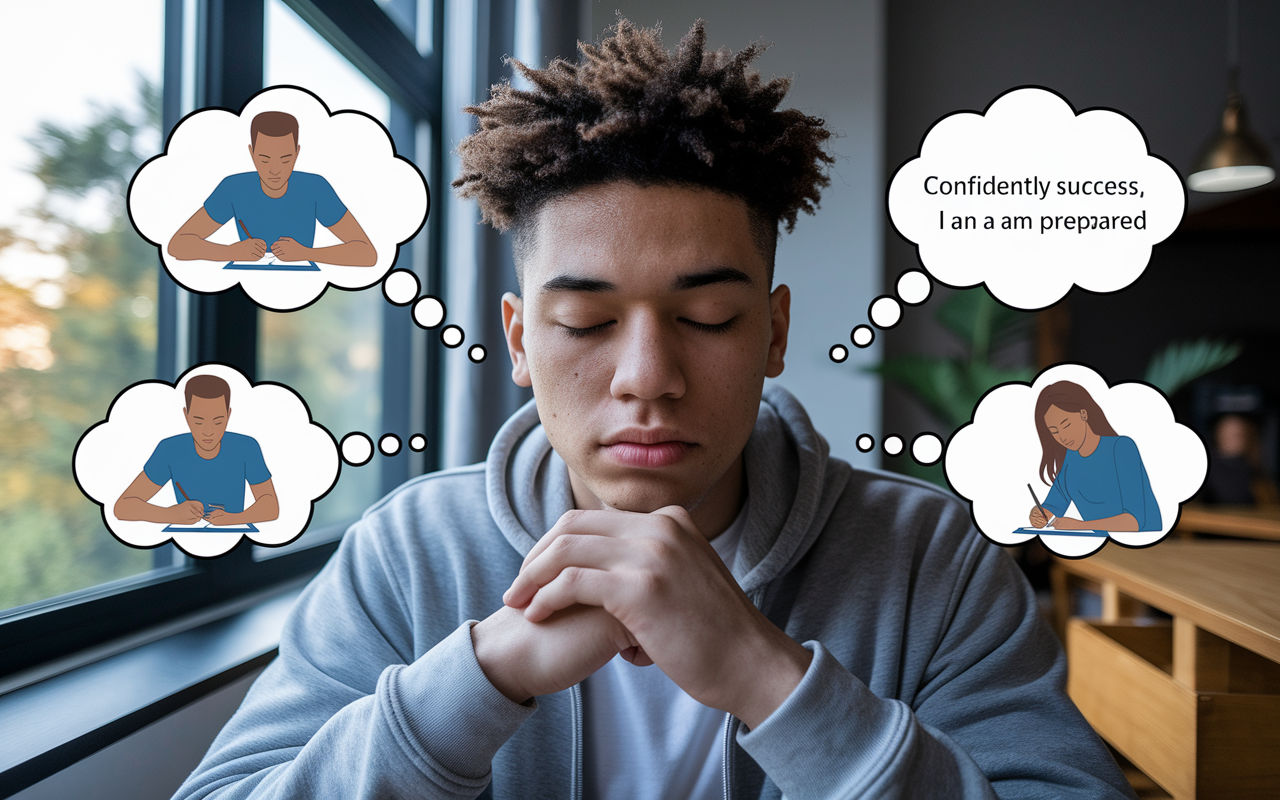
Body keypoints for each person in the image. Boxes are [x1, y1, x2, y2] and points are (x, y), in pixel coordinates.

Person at [173, 20, 1135, 799]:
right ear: (517, 340)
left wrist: (770, 680)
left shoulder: (929, 556)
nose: (647, 376)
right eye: (586, 322)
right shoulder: (412, 552)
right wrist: (482, 675)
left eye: (709, 317)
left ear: (772, 333)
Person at [167, 111, 377, 267]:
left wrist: (307, 253)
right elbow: (178, 245)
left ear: (296, 153)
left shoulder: (315, 188)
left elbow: (367, 253)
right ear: (251, 153)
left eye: (285, 160)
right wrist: (230, 251)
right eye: (264, 159)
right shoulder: (233, 187)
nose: (275, 170)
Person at [115, 374, 278, 527]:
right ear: (186, 415)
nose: (208, 431)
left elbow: (271, 506)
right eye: (199, 422)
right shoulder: (170, 450)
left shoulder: (246, 447)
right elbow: (123, 507)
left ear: (228, 415)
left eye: (218, 422)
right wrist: (169, 515)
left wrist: (234, 519)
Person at [1028, 380, 1160, 532]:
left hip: (1144, 544)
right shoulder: (1070, 458)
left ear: (1083, 414)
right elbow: (1053, 506)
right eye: (1054, 431)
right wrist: (1039, 515)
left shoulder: (1122, 448)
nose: (1062, 437)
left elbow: (1135, 521)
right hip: (1100, 544)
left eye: (1066, 425)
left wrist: (1079, 526)